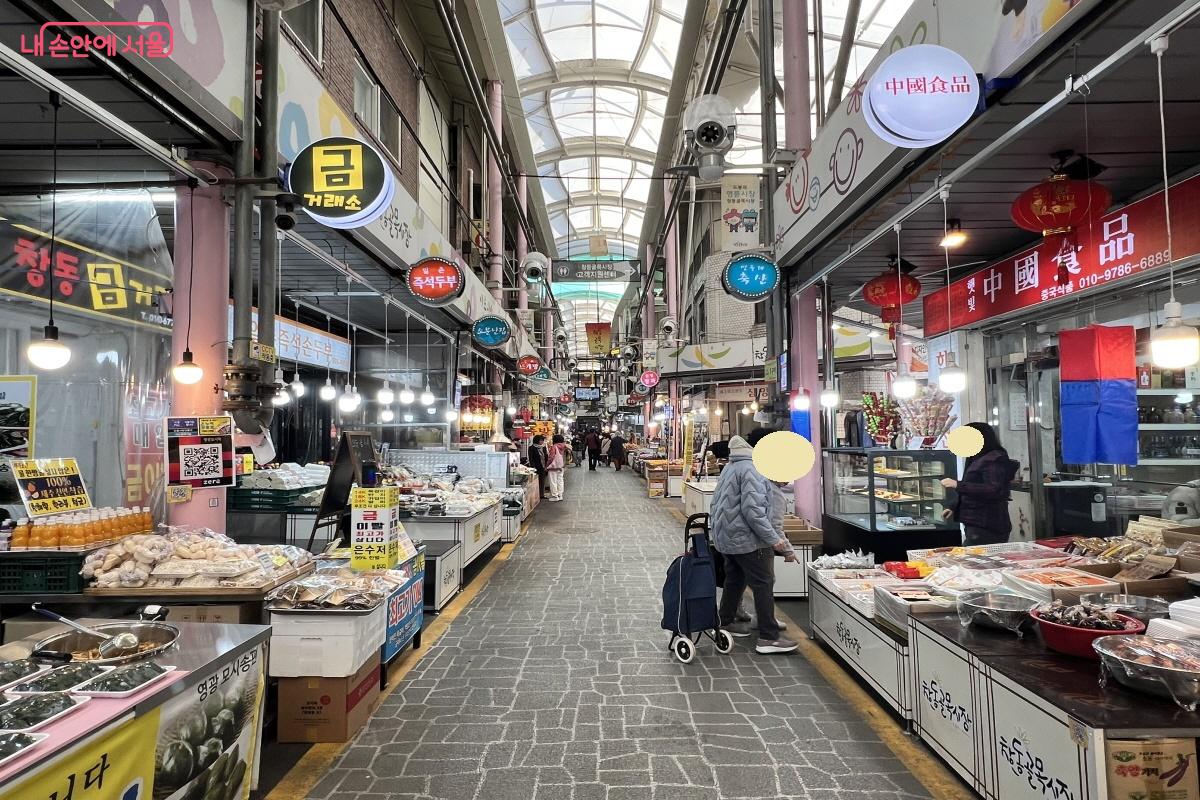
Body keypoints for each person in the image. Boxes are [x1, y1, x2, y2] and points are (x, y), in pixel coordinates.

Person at [709, 435, 798, 655]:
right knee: (763, 583)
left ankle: (725, 622)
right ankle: (768, 636)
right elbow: (754, 512)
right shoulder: (753, 469)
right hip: (746, 539)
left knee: (735, 579)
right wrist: (775, 540)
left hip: (727, 536)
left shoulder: (733, 464)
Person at [941, 422, 1020, 546]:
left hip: (988, 524)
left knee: (974, 556)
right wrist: (953, 506)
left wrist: (957, 485)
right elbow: (972, 488)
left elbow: (994, 489)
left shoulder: (994, 459)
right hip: (975, 522)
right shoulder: (977, 458)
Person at [546, 434, 567, 501]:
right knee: (560, 481)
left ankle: (555, 496)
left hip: (553, 467)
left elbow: (551, 457)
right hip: (561, 466)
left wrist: (547, 465)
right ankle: (560, 495)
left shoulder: (554, 447)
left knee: (553, 481)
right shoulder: (564, 446)